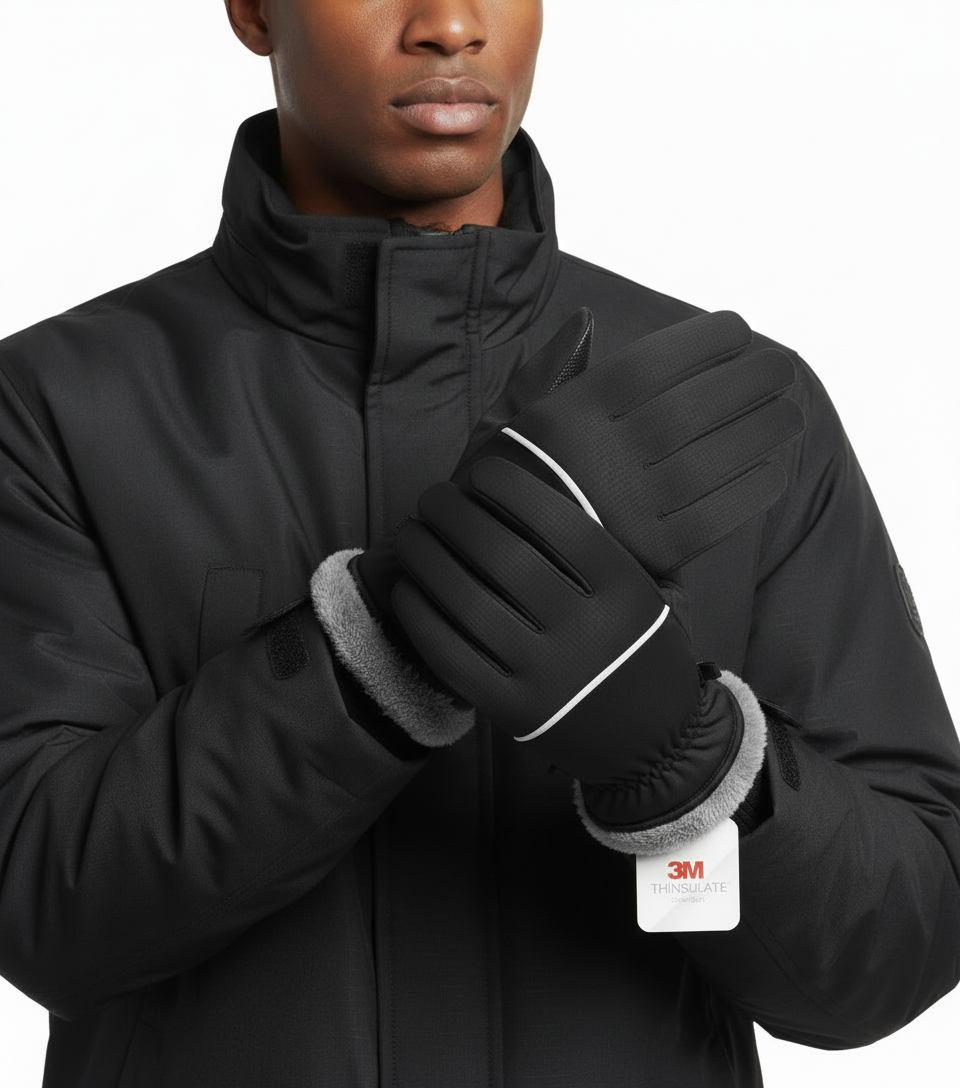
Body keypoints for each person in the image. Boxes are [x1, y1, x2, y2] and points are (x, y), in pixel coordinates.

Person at [0, 2, 958, 1086]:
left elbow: (896, 955)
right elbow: (40, 911)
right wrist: (383, 647)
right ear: (256, 10)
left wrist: (688, 760)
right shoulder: (52, 408)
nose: (451, 24)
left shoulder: (727, 409)